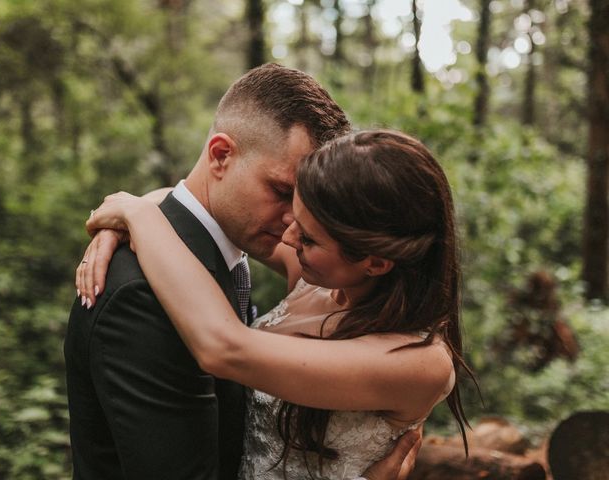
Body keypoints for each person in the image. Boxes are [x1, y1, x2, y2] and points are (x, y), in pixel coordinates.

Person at [64, 64, 419, 480]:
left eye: (312, 204)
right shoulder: (141, 295)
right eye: (283, 192)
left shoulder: (233, 245)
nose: (296, 222)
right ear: (221, 155)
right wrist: (135, 213)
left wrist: (140, 210)